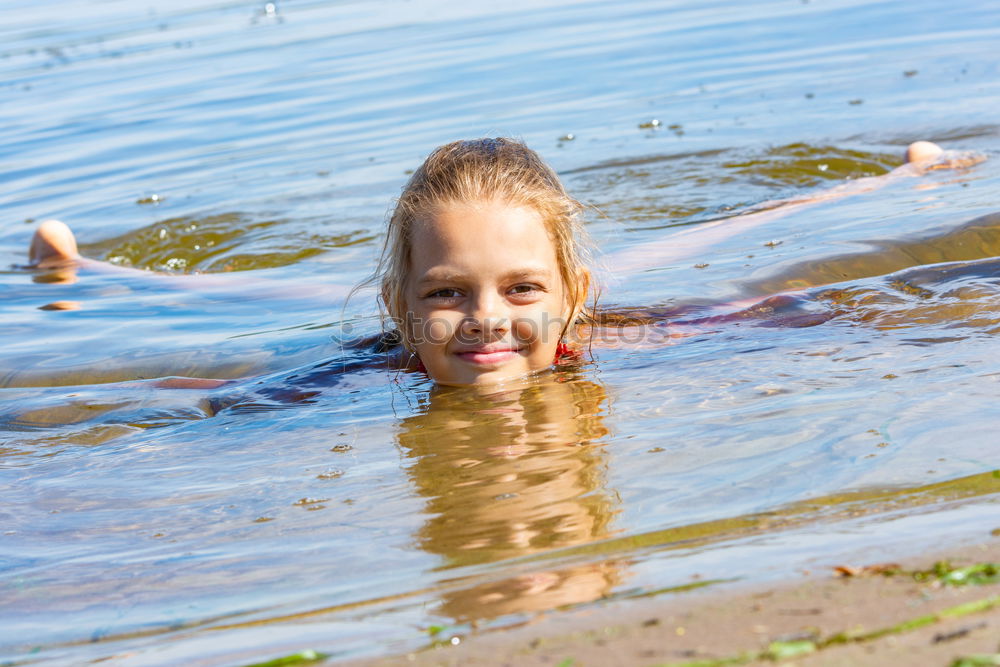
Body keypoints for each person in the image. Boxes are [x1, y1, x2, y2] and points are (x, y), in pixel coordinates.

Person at [24, 138, 978, 388]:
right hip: (390, 303)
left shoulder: (603, 330)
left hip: (607, 287)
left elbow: (770, 316)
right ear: (401, 307)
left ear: (571, 295)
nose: (484, 317)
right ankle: (93, 268)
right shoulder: (388, 349)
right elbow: (268, 389)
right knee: (256, 289)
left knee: (715, 234)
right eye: (447, 295)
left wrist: (849, 320)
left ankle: (892, 180)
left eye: (520, 289)